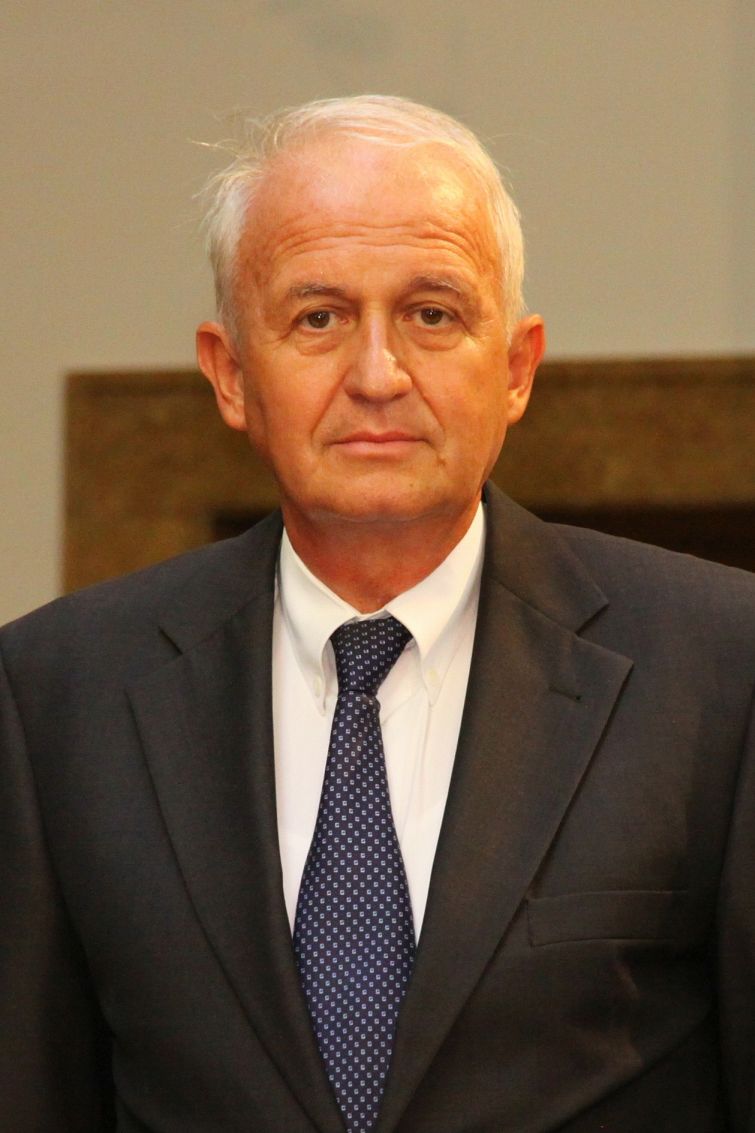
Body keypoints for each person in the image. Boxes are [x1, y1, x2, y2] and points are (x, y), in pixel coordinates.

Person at [1, 95, 753, 1133]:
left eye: (431, 314)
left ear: (516, 367)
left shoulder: (720, 670)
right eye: (317, 318)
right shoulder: (54, 695)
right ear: (230, 374)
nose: (376, 376)